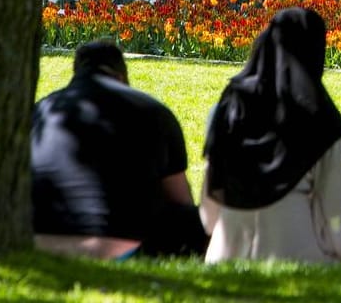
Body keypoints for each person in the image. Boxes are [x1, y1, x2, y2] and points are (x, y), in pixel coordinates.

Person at [202, 8, 341, 263]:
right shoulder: (321, 123)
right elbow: (335, 226)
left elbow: (209, 218)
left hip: (221, 255)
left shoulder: (226, 111)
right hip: (300, 258)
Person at [30, 40, 208, 259]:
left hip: (40, 238)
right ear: (122, 75)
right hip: (123, 244)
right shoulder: (154, 112)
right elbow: (180, 199)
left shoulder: (41, 110)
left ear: (76, 73)